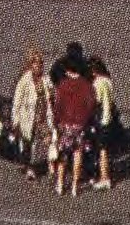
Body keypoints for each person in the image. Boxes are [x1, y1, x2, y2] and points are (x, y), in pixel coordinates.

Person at [51, 55, 97, 198]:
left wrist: (56, 121)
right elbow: (91, 105)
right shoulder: (86, 85)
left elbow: (57, 105)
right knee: (78, 154)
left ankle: (60, 184)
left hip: (65, 124)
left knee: (63, 155)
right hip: (80, 125)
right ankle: (75, 187)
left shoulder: (62, 85)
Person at [8, 50, 56, 181]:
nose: (39, 66)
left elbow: (51, 95)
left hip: (43, 116)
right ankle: (30, 168)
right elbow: (17, 102)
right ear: (30, 65)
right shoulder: (24, 81)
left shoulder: (46, 79)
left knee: (49, 141)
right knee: (29, 144)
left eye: (41, 64)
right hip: (28, 117)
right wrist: (15, 120)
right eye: (36, 64)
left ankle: (51, 167)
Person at [88, 56, 119, 191]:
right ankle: (103, 176)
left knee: (101, 151)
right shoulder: (108, 81)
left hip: (101, 120)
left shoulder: (98, 84)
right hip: (110, 119)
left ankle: (104, 177)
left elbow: (95, 102)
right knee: (104, 149)